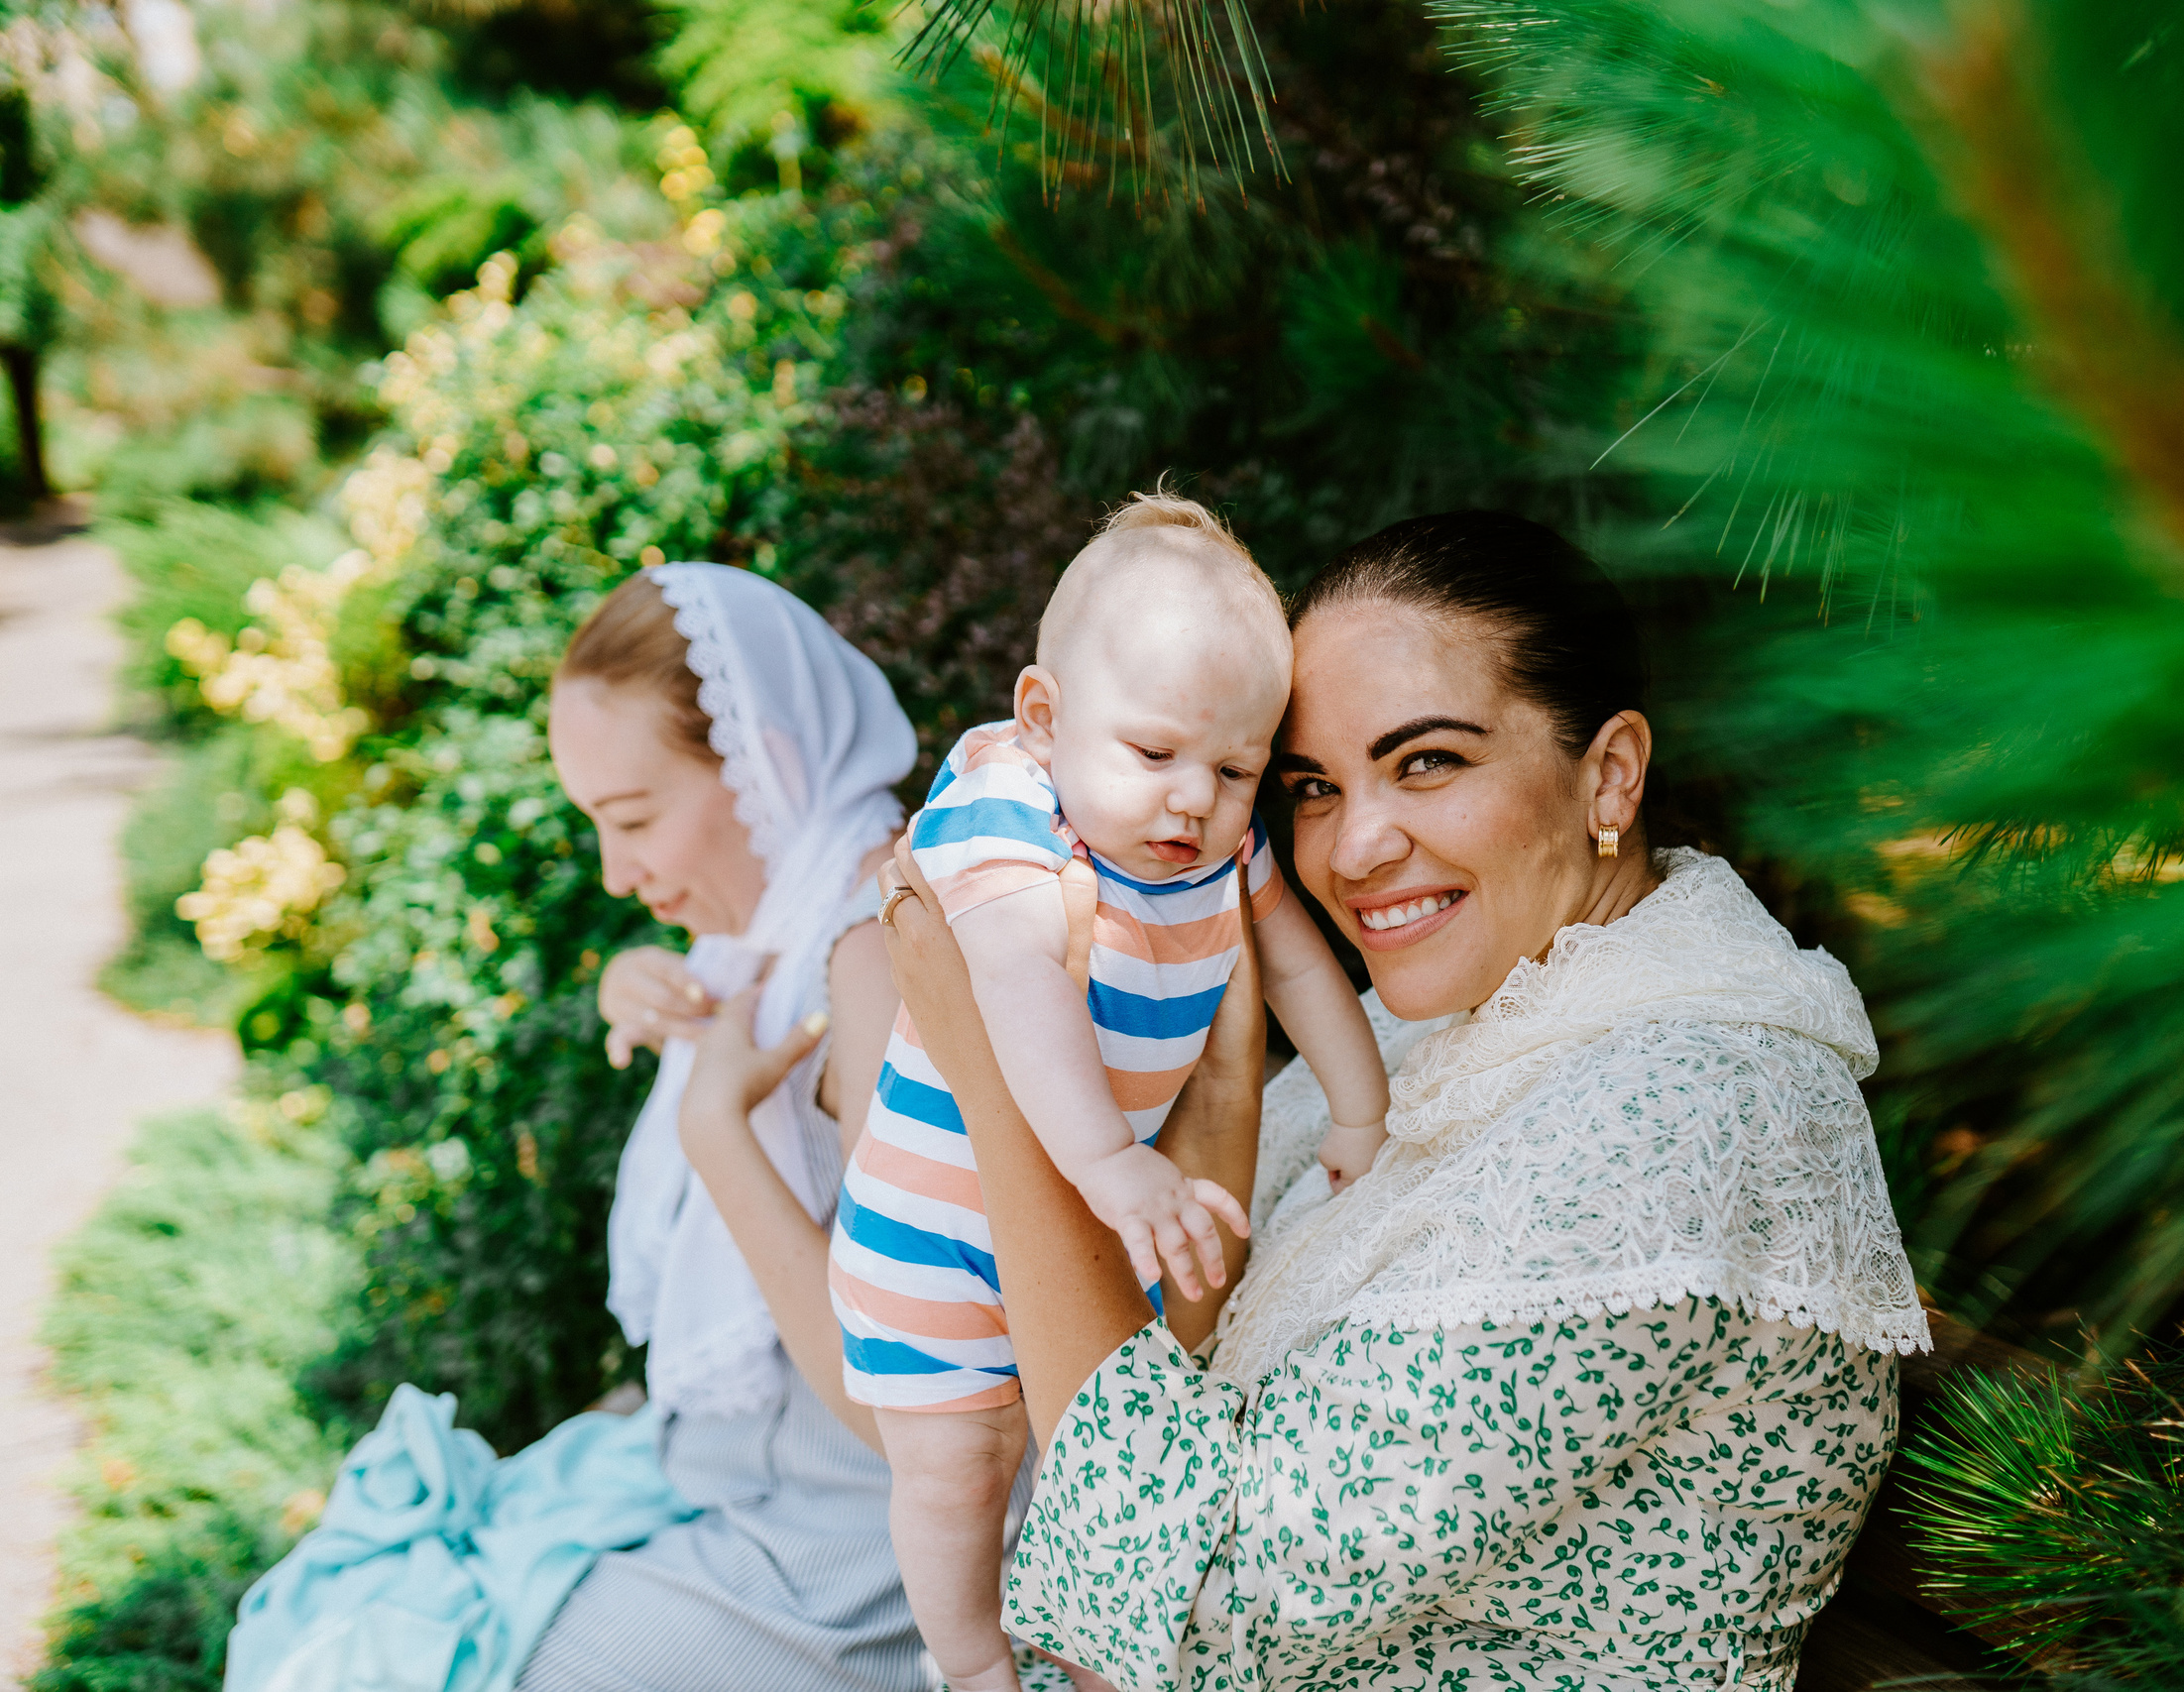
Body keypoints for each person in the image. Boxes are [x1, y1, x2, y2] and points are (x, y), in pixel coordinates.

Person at [873, 511, 1932, 1690]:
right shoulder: (1448, 1016)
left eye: (1427, 760)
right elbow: (1177, 1355)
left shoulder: (1687, 1115)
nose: (1352, 847)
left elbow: (1182, 1605)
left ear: (1610, 772)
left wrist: (992, 1081)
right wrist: (1223, 1078)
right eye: (1313, 786)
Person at [226, 564, 929, 1692]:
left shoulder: (873, 960)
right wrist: (663, 1002)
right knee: (351, 1619)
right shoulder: (787, 917)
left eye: (636, 819)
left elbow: (904, 1404)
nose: (618, 873)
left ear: (767, 764)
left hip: (844, 1553)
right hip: (719, 1473)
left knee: (392, 1666)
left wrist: (714, 1130)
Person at [833, 493, 1391, 1692]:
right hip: (932, 1226)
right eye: (1153, 754)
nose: (1193, 797)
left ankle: (1059, 1643)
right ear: (1044, 717)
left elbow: (1292, 958)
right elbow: (1020, 978)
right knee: (956, 1468)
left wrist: (1359, 1105)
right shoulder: (1004, 806)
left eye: (1236, 766)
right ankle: (973, 1664)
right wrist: (1106, 1162)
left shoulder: (1213, 844)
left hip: (1091, 1209)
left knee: (1073, 1453)